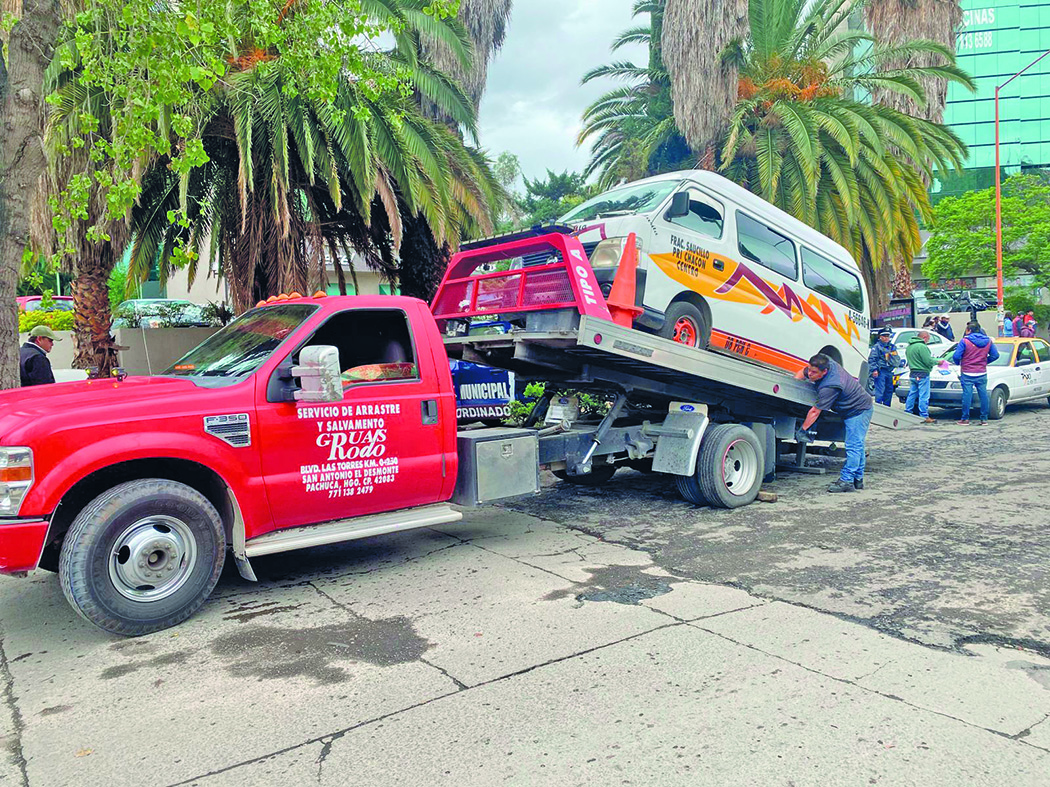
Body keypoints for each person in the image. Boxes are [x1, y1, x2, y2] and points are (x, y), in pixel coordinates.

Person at [795, 354, 874, 493]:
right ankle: (858, 479)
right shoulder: (825, 362)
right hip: (858, 406)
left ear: (824, 372)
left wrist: (803, 429)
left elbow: (815, 412)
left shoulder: (830, 386)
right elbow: (803, 372)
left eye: (814, 373)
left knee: (853, 446)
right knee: (858, 445)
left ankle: (847, 481)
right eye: (810, 370)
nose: (810, 375)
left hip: (858, 411)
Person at [951, 320, 1000, 425]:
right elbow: (995, 355)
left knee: (967, 396)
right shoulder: (988, 341)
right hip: (981, 371)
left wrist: (959, 363)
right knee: (983, 396)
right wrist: (985, 361)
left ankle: (965, 418)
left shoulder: (964, 341)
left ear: (969, 330)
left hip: (967, 371)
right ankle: (984, 419)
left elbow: (956, 356)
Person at [904, 331, 937, 424]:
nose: (928, 341)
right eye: (928, 339)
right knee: (924, 395)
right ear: (925, 337)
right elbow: (928, 361)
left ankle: (907, 412)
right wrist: (938, 362)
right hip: (922, 373)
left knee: (912, 394)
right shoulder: (922, 347)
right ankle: (924, 415)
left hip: (913, 373)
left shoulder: (909, 347)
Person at [867, 328, 901, 407]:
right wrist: (874, 370)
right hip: (881, 371)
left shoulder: (892, 347)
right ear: (880, 337)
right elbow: (872, 359)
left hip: (889, 371)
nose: (886, 338)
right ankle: (878, 408)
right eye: (884, 336)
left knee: (889, 391)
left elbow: (895, 358)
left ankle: (887, 407)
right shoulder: (876, 347)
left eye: (888, 336)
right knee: (880, 391)